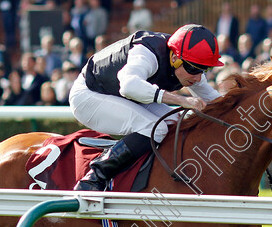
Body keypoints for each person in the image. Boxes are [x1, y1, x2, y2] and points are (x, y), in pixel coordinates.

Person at [69, 24, 223, 191]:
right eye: (193, 68)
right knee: (156, 128)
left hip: (123, 95)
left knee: (178, 122)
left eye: (204, 69)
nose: (198, 76)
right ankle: (94, 177)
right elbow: (128, 86)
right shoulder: (146, 52)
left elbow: (217, 101)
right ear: (174, 58)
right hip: (88, 95)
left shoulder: (186, 64)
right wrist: (181, 100)